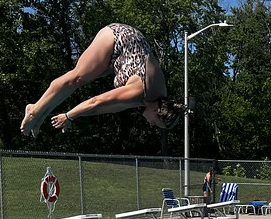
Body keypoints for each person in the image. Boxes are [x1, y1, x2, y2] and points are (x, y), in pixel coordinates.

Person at [20, 23, 183, 137]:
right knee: (76, 78)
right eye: (155, 123)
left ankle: (40, 114)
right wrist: (68, 116)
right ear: (156, 111)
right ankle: (34, 111)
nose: (151, 125)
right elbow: (96, 101)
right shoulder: (140, 92)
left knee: (82, 82)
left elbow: (105, 108)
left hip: (121, 57)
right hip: (118, 38)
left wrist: (73, 116)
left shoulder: (153, 99)